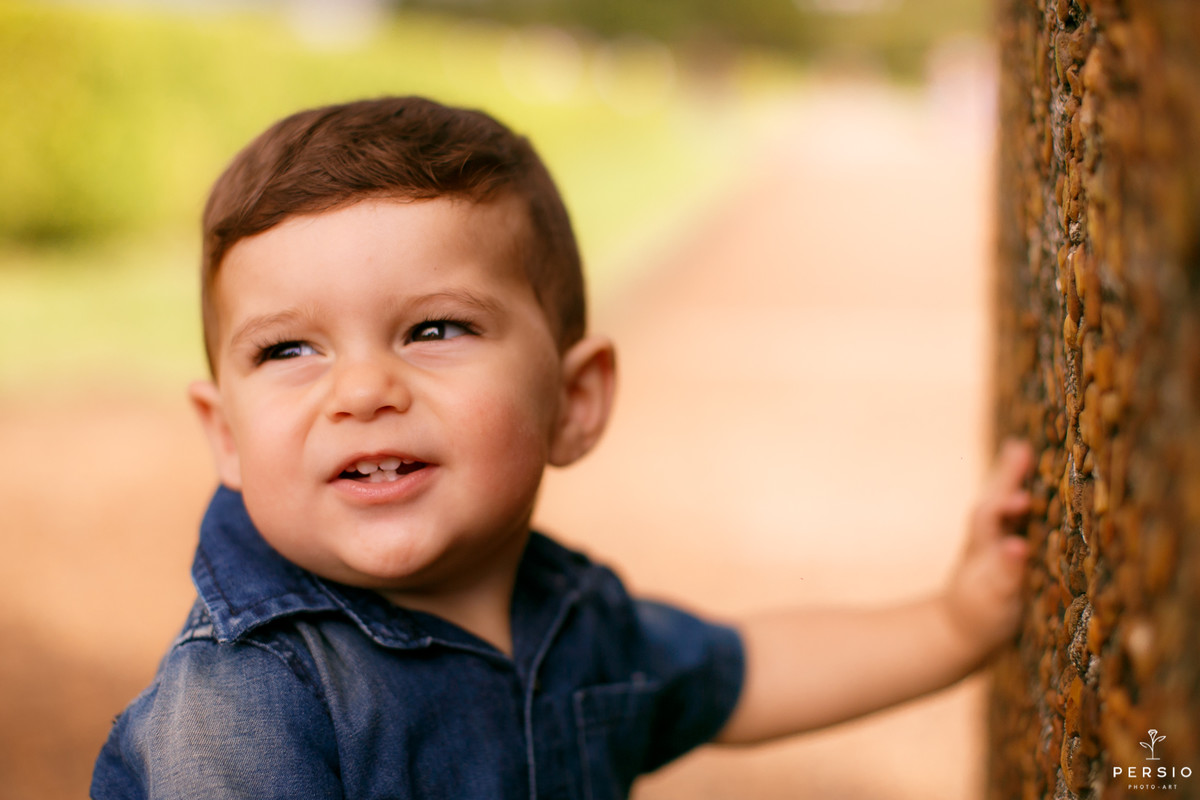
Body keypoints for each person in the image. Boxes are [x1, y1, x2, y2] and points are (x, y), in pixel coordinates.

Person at [90, 96, 1033, 800]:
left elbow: (747, 673)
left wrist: (955, 621)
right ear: (226, 434)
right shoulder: (242, 706)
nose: (364, 390)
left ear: (575, 402)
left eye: (434, 329)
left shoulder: (575, 620)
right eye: (290, 349)